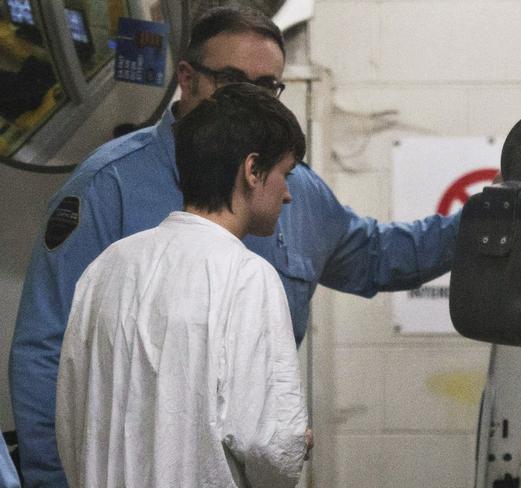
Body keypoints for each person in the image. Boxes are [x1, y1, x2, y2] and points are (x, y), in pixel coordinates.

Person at [10, 7, 460, 487]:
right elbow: (49, 353)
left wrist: (487, 220)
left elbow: (377, 256)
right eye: (232, 79)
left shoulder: (298, 191)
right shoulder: (111, 185)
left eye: (266, 87)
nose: (249, 98)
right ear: (187, 78)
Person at [56, 83, 308, 488]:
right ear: (252, 170)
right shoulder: (247, 276)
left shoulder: (107, 265)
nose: (289, 194)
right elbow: (269, 446)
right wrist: (294, 444)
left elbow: (70, 417)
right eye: (285, 174)